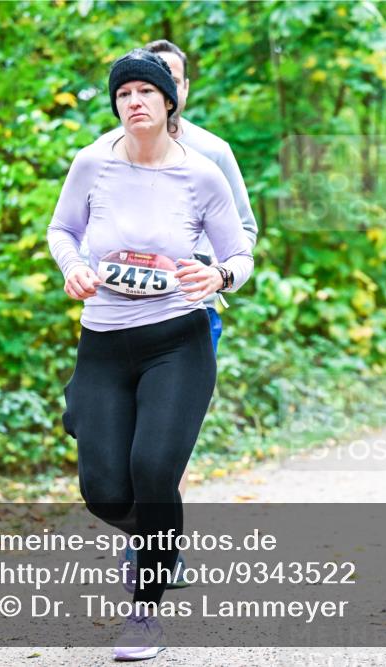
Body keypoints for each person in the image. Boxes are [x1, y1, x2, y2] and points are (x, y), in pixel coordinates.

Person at [46, 48, 253, 660]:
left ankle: (144, 614)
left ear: (170, 102)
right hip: (103, 343)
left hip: (177, 342)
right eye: (123, 93)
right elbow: (62, 230)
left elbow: (240, 251)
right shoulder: (91, 165)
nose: (133, 102)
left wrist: (218, 278)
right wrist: (74, 267)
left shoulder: (203, 172)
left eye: (145, 92)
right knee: (105, 492)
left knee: (153, 472)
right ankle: (165, 536)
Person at [90, 39, 259, 587]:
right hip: (113, 318)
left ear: (179, 91)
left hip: (191, 309)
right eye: (132, 87)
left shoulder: (213, 153)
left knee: (160, 441)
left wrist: (205, 269)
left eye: (166, 79)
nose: (145, 93)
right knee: (114, 445)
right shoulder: (109, 152)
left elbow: (244, 235)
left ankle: (154, 547)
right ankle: (152, 530)